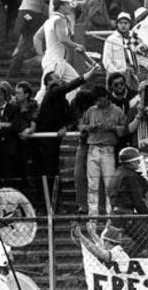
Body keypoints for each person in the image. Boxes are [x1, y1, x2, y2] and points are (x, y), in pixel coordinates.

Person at [36, 67, 100, 204]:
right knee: (48, 173)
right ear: (48, 84)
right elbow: (67, 87)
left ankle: (55, 204)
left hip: (54, 142)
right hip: (43, 142)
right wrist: (86, 76)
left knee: (55, 173)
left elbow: (70, 119)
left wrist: (66, 127)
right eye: (56, 79)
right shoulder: (52, 93)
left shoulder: (64, 102)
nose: (60, 80)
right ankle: (46, 205)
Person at [80, 85, 126, 217]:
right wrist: (89, 127)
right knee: (92, 184)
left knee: (109, 185)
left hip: (108, 149)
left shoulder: (117, 111)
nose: (97, 103)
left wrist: (111, 127)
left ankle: (110, 214)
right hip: (92, 148)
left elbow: (123, 131)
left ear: (106, 98)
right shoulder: (91, 111)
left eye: (99, 100)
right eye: (96, 101)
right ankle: (92, 214)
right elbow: (81, 126)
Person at [108, 147, 148, 256]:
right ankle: (146, 267)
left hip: (116, 215)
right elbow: (138, 202)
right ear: (131, 162)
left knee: (142, 240)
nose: (139, 163)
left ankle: (129, 259)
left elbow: (136, 190)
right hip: (127, 216)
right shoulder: (131, 176)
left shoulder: (118, 173)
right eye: (137, 161)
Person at [7, 0, 53, 77]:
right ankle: (23, 65)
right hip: (31, 14)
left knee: (27, 41)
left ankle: (20, 66)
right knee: (42, 33)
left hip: (23, 14)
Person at [34, 0, 83, 104]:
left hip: (56, 59)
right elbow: (63, 39)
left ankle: (66, 106)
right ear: (61, 6)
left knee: (76, 82)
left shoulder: (49, 20)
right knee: (46, 89)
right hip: (55, 60)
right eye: (67, 4)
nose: (70, 6)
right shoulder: (60, 20)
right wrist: (77, 46)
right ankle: (34, 109)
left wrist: (41, 55)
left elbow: (36, 37)